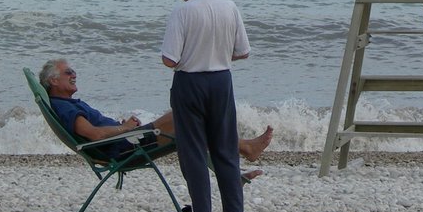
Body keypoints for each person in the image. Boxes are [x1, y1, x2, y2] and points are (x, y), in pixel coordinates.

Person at [38, 58, 272, 169]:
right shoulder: (65, 107)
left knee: (189, 121)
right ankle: (243, 151)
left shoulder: (66, 103)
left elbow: (97, 132)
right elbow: (94, 136)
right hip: (122, 148)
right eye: (68, 72)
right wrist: (125, 128)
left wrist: (122, 127)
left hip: (124, 142)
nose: (74, 74)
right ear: (53, 81)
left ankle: (236, 168)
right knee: (185, 117)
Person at [161, 0, 251, 212]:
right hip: (222, 80)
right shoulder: (229, 6)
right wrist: (217, 55)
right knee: (225, 147)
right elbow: (243, 51)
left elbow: (169, 59)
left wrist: (194, 56)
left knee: (193, 149)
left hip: (191, 82)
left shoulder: (183, 11)